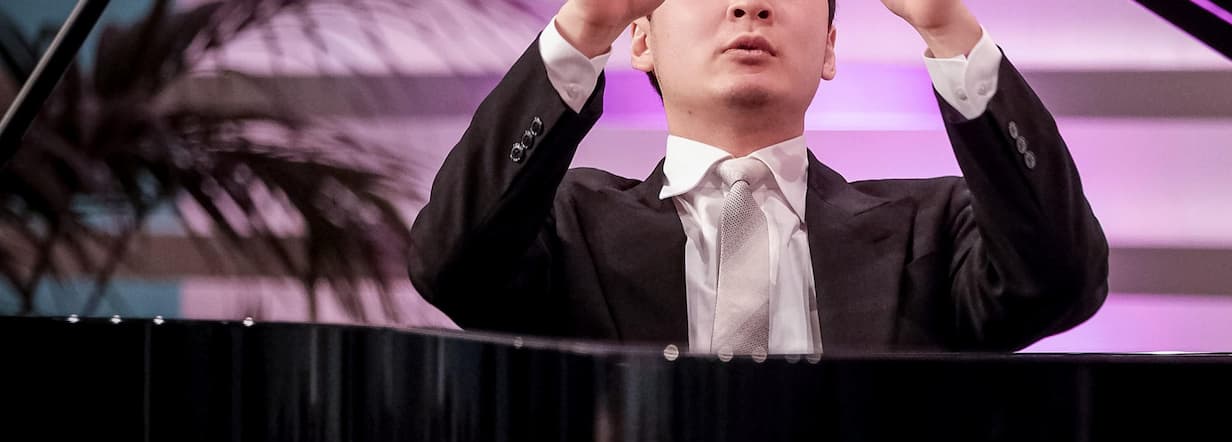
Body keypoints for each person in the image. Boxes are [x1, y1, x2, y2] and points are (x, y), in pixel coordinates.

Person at [409, 0, 1108, 354]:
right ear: (642, 39)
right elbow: (451, 265)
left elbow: (1062, 279)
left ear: (831, 48)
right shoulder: (564, 225)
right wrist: (583, 27)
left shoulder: (933, 230)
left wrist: (950, 26)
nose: (750, 3)